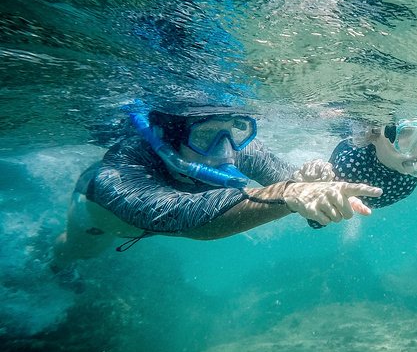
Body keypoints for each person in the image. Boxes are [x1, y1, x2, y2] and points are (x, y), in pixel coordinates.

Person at [50, 99, 382, 274]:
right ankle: (56, 265)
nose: (226, 151)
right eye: (207, 135)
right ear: (170, 136)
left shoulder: (239, 148)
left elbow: (290, 184)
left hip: (163, 220)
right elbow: (191, 219)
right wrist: (288, 193)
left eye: (233, 132)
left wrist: (311, 181)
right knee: (78, 253)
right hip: (99, 223)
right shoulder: (121, 171)